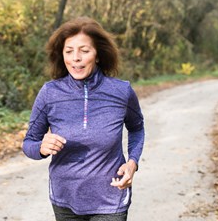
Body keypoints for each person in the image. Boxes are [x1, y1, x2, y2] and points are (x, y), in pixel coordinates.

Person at [22, 17, 145, 221]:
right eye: (68, 51)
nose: (75, 58)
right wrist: (41, 148)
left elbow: (137, 129)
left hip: (111, 197)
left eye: (84, 51)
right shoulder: (49, 93)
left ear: (98, 55)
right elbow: (29, 143)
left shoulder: (121, 91)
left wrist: (133, 162)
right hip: (65, 198)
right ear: (62, 56)